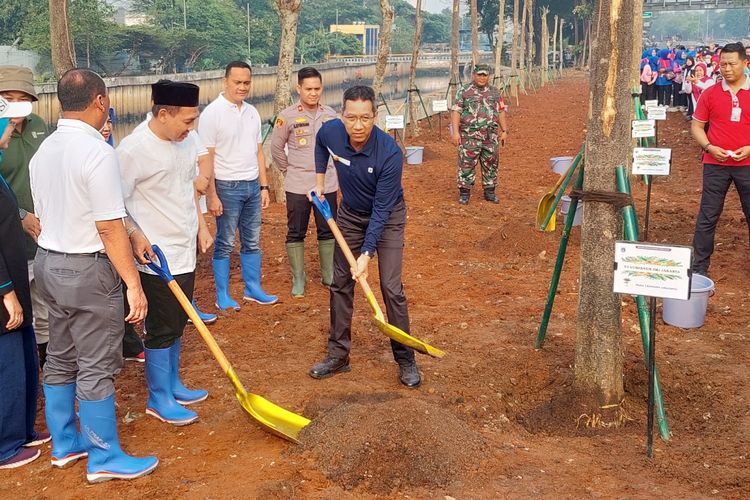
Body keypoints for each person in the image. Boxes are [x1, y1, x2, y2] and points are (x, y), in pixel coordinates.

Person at [30, 68, 158, 482]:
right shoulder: (97, 152)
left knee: (62, 355)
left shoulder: (44, 150)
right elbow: (107, 226)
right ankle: (104, 457)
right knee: (97, 364)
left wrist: (134, 232)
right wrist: (134, 285)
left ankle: (66, 444)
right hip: (89, 270)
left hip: (50, 263)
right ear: (100, 101)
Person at [309, 85, 421, 388]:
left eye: (365, 118)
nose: (357, 126)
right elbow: (320, 144)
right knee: (340, 283)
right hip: (349, 216)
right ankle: (338, 355)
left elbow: (382, 211)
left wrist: (365, 255)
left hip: (388, 218)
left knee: (390, 286)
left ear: (376, 117)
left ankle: (406, 358)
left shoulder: (389, 153)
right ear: (343, 115)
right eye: (351, 118)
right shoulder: (331, 132)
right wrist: (320, 180)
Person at [116, 80, 212, 426]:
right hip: (155, 256)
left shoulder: (186, 141)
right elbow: (115, 206)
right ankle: (158, 398)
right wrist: (135, 235)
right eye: (187, 121)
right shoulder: (132, 150)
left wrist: (201, 225)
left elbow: (189, 188)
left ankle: (172, 384)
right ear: (162, 113)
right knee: (161, 326)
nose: (192, 128)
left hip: (184, 245)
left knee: (179, 320)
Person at [198, 61, 277, 309]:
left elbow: (258, 151)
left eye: (246, 83)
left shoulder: (252, 112)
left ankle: (252, 288)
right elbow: (206, 158)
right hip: (226, 186)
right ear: (225, 81)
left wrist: (264, 187)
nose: (242, 87)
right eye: (237, 82)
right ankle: (222, 294)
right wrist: (211, 195)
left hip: (252, 185)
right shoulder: (212, 114)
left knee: (252, 240)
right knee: (226, 241)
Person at [0, 99, 50, 469]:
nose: (7, 137)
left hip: (15, 273)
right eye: (3, 126)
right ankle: (5, 443)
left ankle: (23, 429)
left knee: (24, 355)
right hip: (4, 287)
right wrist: (6, 291)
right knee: (7, 363)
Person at [271, 67, 338, 298]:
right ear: (298, 88)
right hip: (298, 184)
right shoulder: (286, 116)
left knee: (327, 229)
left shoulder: (331, 115)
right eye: (308, 89)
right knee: (296, 231)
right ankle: (298, 279)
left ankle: (328, 275)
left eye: (317, 88)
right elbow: (276, 148)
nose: (313, 93)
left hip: (326, 183)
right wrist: (288, 170)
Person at [0, 65, 51, 367]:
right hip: (9, 241)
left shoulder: (39, 126)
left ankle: (44, 365)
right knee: (17, 307)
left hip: (42, 235)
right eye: (8, 96)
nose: (16, 105)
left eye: (23, 98)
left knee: (44, 305)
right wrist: (20, 214)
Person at [690, 43, 750, 277]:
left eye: (731, 64)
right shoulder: (711, 93)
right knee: (708, 215)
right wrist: (708, 147)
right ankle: (699, 269)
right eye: (722, 64)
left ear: (745, 63)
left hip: (747, 164)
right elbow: (696, 126)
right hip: (716, 164)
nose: (726, 69)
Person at [99, 109, 146, 363]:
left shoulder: (113, 152)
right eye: (103, 122)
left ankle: (126, 340)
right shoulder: (95, 154)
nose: (107, 127)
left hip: (122, 228)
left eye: (110, 122)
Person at [450, 63, 508, 205]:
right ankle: (464, 193)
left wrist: (505, 130)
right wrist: (455, 133)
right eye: (479, 75)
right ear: (474, 75)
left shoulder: (495, 92)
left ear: (489, 76)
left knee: (491, 164)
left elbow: (500, 111)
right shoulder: (464, 91)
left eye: (485, 75)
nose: (482, 78)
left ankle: (489, 192)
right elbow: (456, 111)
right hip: (469, 137)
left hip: (490, 137)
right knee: (466, 164)